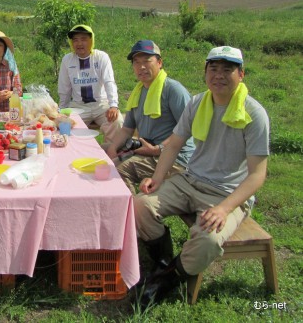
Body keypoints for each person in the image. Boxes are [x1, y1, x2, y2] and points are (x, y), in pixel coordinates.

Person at [134, 46, 270, 308]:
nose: (219, 75)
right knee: (141, 204)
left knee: (207, 239)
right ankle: (163, 260)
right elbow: (174, 144)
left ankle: (166, 278)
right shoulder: (198, 103)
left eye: (227, 69)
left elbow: (257, 175)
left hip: (226, 194)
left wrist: (224, 209)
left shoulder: (254, 114)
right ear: (206, 73)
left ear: (241, 74)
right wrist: (158, 178)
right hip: (190, 180)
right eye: (213, 69)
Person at [107, 40, 195, 194]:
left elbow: (188, 130)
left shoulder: (173, 90)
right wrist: (113, 148)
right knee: (102, 151)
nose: (141, 67)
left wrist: (158, 149)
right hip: (147, 149)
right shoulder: (139, 91)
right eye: (136, 62)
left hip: (175, 158)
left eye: (147, 61)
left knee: (116, 170)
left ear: (159, 62)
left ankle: (129, 212)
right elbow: (127, 128)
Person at [57, 24, 123, 144]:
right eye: (75, 40)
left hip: (101, 105)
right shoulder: (67, 60)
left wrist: (113, 105)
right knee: (64, 126)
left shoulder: (101, 57)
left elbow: (109, 81)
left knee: (117, 122)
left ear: (91, 40)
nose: (79, 43)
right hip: (78, 106)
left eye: (83, 39)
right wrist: (62, 110)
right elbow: (64, 88)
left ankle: (112, 154)